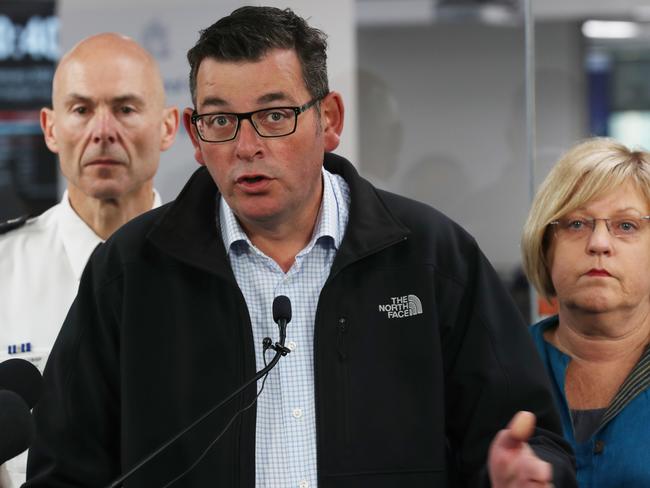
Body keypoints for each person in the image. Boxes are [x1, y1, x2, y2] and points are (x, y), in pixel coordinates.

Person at [26, 7, 575, 488]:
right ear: (196, 136)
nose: (246, 146)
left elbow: (529, 437)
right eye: (221, 120)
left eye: (274, 115)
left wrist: (525, 475)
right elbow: (64, 469)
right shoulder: (130, 270)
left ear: (329, 119)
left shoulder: (431, 256)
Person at [0, 33, 179, 487]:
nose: (103, 131)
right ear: (50, 128)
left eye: (125, 109)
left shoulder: (221, 267)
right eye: (81, 110)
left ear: (168, 126)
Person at [522, 137, 650, 486]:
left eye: (626, 226)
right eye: (576, 224)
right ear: (545, 246)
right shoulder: (502, 366)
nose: (598, 244)